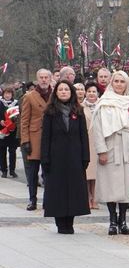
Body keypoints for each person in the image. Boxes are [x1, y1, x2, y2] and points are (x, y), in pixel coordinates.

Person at [92, 71, 129, 235]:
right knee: (110, 185)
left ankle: (123, 219)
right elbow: (98, 128)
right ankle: (112, 220)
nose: (118, 84)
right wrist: (101, 150)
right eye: (115, 81)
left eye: (122, 81)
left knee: (127, 185)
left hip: (128, 146)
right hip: (110, 146)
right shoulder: (104, 102)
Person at [40, 81, 90, 234]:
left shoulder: (78, 111)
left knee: (74, 190)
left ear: (71, 92)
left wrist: (85, 157)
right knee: (58, 190)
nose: (63, 92)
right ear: (56, 93)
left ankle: (70, 221)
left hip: (75, 157)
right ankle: (61, 222)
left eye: (66, 89)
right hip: (56, 158)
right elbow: (45, 138)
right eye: (60, 89)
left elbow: (84, 136)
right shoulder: (50, 112)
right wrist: (45, 158)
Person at [20, 69, 52, 210]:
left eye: (46, 77)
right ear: (37, 79)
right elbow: (24, 120)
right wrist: (25, 140)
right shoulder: (30, 96)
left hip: (51, 138)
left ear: (50, 79)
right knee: (33, 172)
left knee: (48, 172)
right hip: (34, 138)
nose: (44, 80)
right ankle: (32, 199)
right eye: (41, 77)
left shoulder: (55, 95)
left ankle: (48, 200)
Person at [83, 82, 100, 209]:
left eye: (94, 91)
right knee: (87, 173)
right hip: (86, 142)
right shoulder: (80, 107)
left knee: (97, 174)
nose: (91, 94)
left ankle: (95, 197)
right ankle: (88, 196)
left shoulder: (102, 106)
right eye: (89, 91)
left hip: (99, 142)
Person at [0, 87, 20, 178]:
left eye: (9, 93)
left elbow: (19, 115)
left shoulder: (16, 103)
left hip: (13, 130)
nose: (7, 95)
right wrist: (0, 121)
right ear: (3, 94)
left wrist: (15, 121)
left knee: (12, 151)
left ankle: (12, 170)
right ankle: (4, 170)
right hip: (2, 130)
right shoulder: (0, 103)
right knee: (2, 151)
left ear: (12, 94)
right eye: (6, 93)